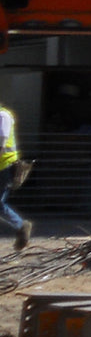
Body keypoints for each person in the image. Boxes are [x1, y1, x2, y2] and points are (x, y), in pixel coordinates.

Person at [0, 104, 31, 252]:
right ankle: (21, 226)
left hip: (5, 166)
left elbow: (2, 142)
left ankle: (21, 225)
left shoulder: (3, 116)